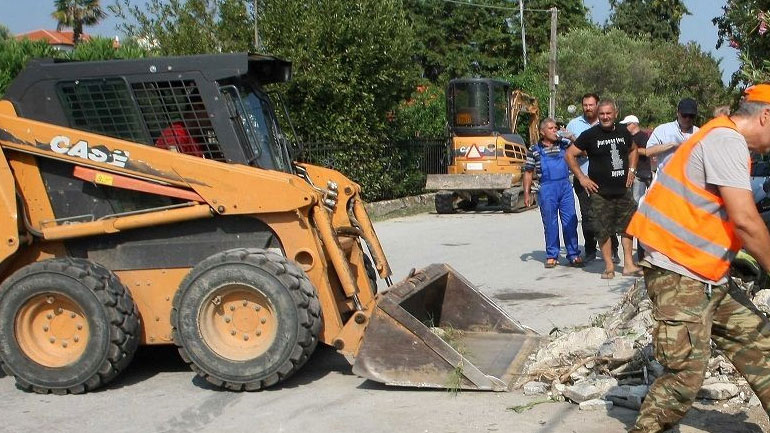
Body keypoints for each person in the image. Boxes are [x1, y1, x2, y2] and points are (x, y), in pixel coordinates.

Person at [626, 84, 770, 433]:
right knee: (685, 376)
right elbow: (746, 221)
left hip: (706, 274)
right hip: (677, 271)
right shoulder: (725, 139)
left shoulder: (724, 139)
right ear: (767, 116)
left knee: (761, 347)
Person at [565, 99, 641, 279]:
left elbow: (634, 150)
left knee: (628, 228)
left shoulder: (623, 132)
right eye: (602, 114)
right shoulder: (590, 135)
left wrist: (632, 169)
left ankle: (628, 265)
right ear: (598, 115)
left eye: (608, 113)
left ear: (615, 114)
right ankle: (608, 267)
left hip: (623, 190)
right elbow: (569, 154)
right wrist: (582, 178)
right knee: (602, 229)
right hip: (600, 192)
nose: (605, 117)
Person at [565, 93, 620, 263]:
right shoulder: (573, 125)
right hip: (583, 178)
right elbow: (569, 153)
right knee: (587, 216)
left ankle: (613, 249)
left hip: (605, 180)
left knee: (608, 214)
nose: (588, 108)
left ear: (598, 105)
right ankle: (589, 249)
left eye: (591, 105)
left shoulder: (607, 123)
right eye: (585, 105)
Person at [523, 118, 583, 268]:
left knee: (570, 221)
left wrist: (571, 137)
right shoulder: (534, 150)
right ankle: (552, 255)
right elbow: (528, 172)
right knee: (550, 222)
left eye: (556, 128)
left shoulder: (565, 144)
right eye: (550, 128)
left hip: (565, 187)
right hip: (547, 188)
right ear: (542, 132)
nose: (555, 130)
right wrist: (526, 193)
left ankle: (573, 254)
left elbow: (583, 151)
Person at [645, 98, 699, 172]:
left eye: (691, 116)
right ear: (677, 113)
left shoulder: (699, 133)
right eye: (684, 115)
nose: (687, 119)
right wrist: (672, 145)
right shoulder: (662, 129)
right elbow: (648, 152)